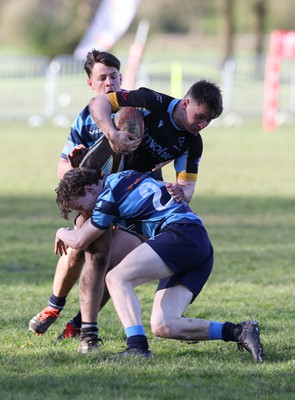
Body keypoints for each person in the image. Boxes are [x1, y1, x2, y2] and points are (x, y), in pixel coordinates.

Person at [30, 75, 223, 354]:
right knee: (89, 251)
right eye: (200, 116)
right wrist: (112, 132)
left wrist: (180, 191)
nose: (202, 125)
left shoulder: (193, 142)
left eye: (208, 121)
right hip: (96, 182)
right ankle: (76, 323)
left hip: (133, 195)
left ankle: (81, 324)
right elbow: (97, 103)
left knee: (118, 264)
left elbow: (187, 186)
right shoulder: (150, 101)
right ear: (186, 102)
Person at [54, 168, 264, 363]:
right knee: (164, 325)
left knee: (115, 278)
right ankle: (239, 331)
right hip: (198, 244)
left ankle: (137, 347)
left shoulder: (106, 199)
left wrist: (61, 232)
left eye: (81, 207)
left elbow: (81, 241)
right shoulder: (125, 176)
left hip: (181, 233)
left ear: (90, 189)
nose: (84, 213)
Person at [29, 49, 142, 343]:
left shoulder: (137, 111)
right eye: (102, 78)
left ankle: (81, 323)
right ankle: (54, 307)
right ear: (91, 84)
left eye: (114, 77)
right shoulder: (86, 117)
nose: (109, 83)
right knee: (81, 248)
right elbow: (61, 166)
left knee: (111, 262)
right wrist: (76, 169)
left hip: (134, 204)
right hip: (97, 203)